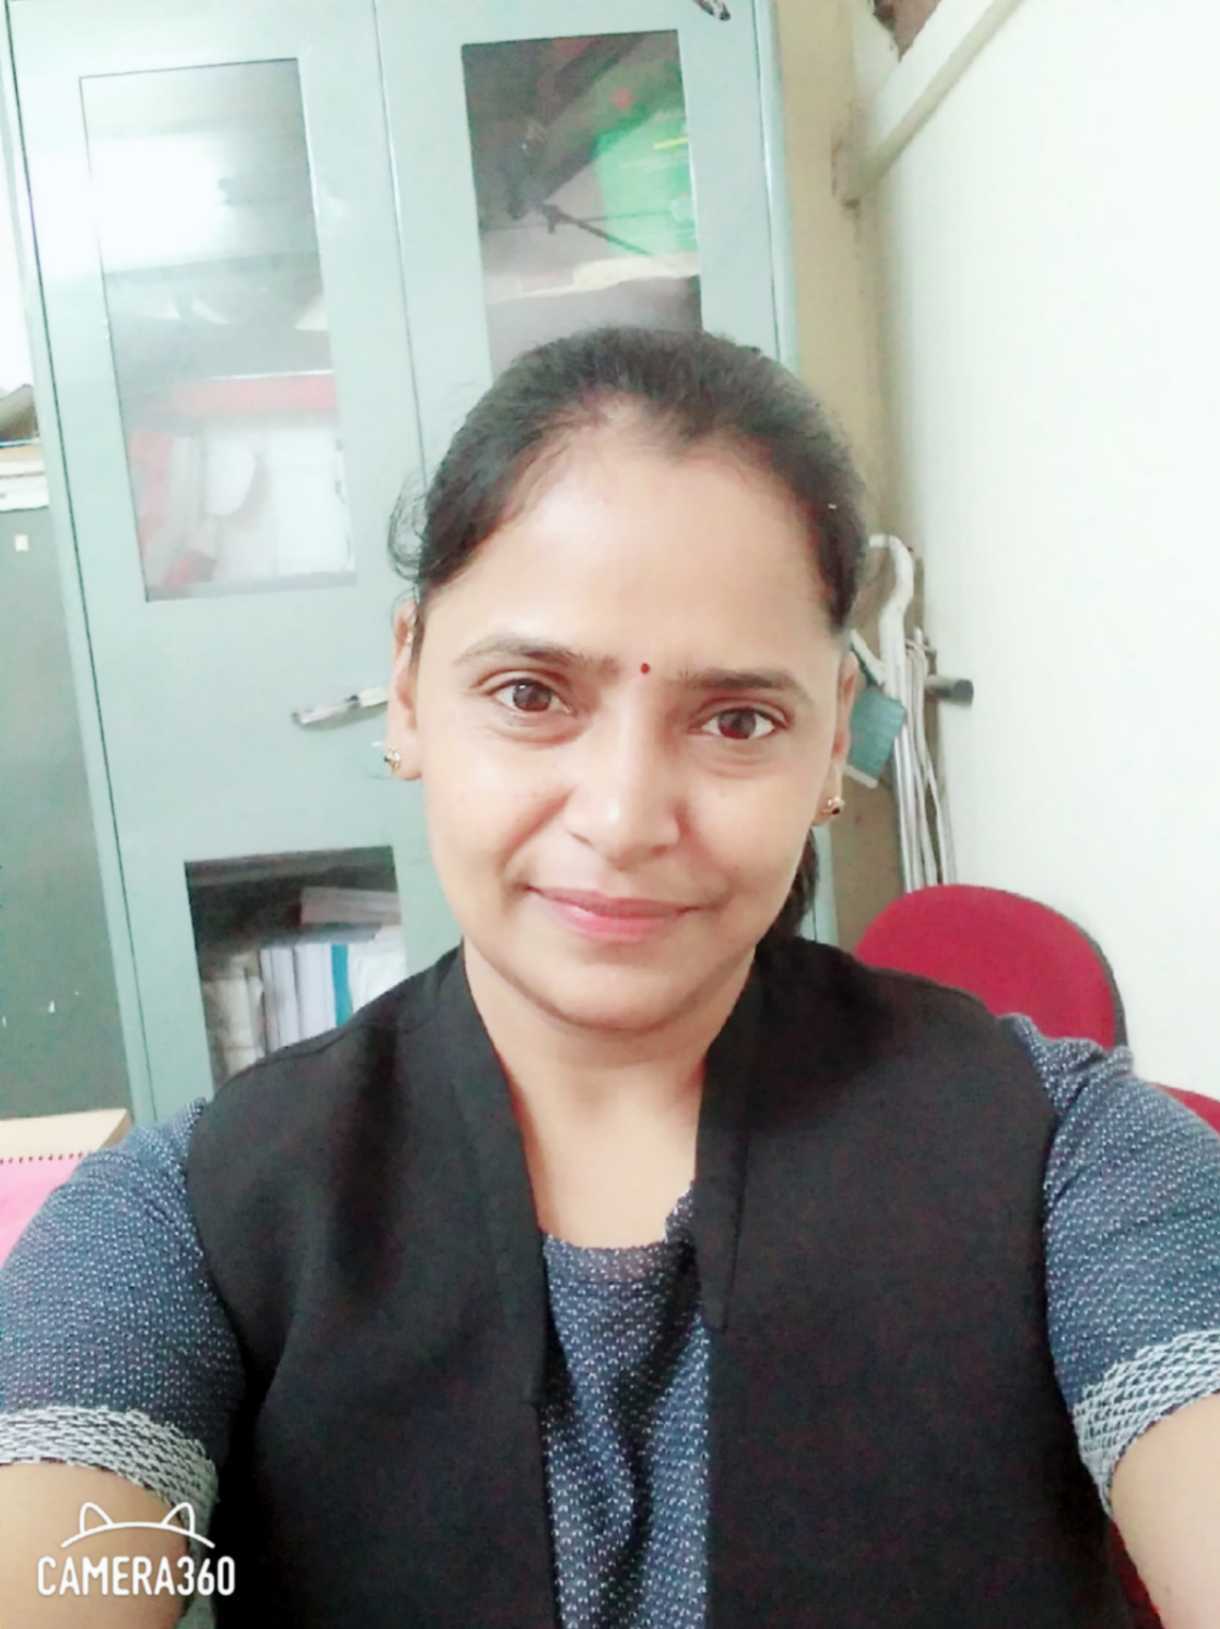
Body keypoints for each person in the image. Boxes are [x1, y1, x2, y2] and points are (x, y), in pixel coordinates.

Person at [1, 325, 1218, 1629]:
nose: (626, 816)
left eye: (738, 719)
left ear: (830, 745)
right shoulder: (181, 1227)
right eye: (531, 693)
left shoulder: (1071, 1158)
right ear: (408, 689)